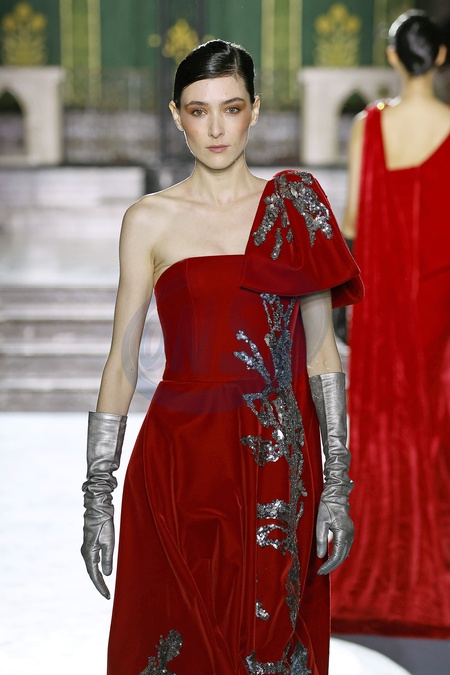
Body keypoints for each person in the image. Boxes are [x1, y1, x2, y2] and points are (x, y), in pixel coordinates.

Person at [80, 39, 363, 674]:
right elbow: (122, 359)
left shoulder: (294, 210)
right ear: (176, 115)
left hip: (277, 470)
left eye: (231, 109)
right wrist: (98, 495)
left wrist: (337, 485)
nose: (215, 129)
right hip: (178, 464)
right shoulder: (149, 220)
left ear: (255, 110)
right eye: (198, 110)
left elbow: (322, 352)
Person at [331, 11, 450, 638]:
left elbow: (353, 220)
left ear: (394, 58)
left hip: (382, 296)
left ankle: (379, 559)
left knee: (383, 419)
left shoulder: (369, 125)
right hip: (439, 295)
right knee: (435, 419)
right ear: (442, 57)